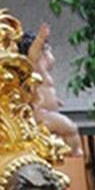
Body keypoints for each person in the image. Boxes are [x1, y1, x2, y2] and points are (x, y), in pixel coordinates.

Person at [21, 23, 82, 156]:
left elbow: (46, 91)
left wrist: (56, 100)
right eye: (48, 50)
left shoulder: (43, 74)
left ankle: (69, 152)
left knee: (66, 131)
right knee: (70, 127)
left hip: (48, 111)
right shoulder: (35, 65)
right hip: (41, 114)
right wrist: (41, 39)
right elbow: (33, 53)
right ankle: (76, 152)